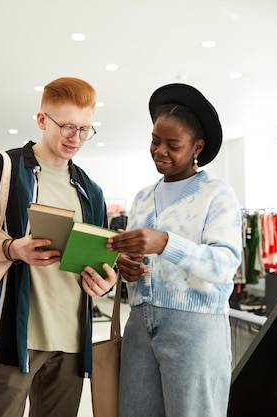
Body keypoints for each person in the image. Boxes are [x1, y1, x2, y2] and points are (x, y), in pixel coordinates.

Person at [0, 76, 118, 417]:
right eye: (67, 126)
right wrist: (13, 249)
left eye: (85, 129)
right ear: (42, 120)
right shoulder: (3, 168)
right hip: (13, 337)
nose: (76, 138)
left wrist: (107, 282)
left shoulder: (92, 191)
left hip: (72, 344)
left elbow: (103, 260)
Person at [108, 83, 242, 417]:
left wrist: (166, 243)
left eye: (173, 145)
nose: (159, 150)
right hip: (139, 324)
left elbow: (225, 265)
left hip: (194, 328)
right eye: (155, 140)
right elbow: (136, 262)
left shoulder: (216, 194)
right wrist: (127, 266)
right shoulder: (141, 198)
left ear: (197, 146)